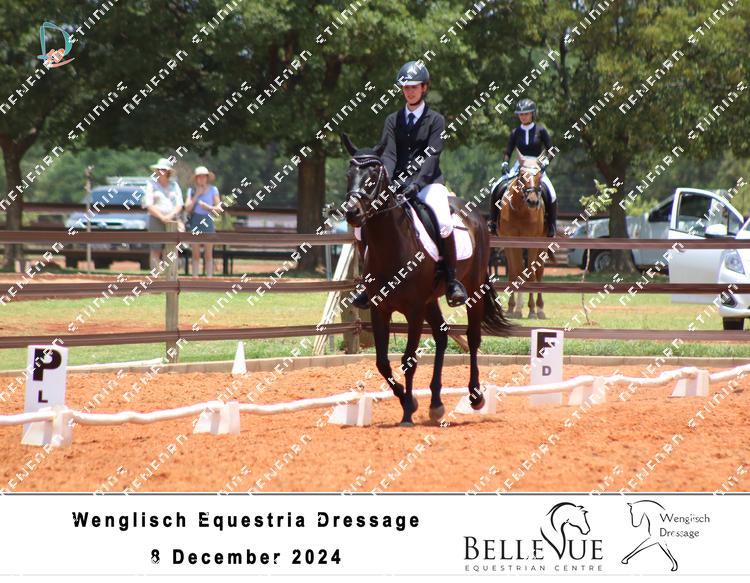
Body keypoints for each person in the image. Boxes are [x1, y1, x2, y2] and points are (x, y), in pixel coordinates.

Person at [351, 60, 468, 309]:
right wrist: (389, 182)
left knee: (444, 222)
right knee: (361, 227)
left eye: (414, 87)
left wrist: (417, 182)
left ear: (424, 88)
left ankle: (451, 280)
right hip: (396, 184)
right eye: (406, 87)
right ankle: (368, 282)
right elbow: (390, 155)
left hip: (428, 183)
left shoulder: (436, 120)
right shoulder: (392, 120)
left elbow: (432, 154)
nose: (410, 91)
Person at [491, 98, 558, 236]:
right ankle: (493, 223)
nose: (523, 116)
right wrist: (505, 163)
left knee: (551, 193)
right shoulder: (515, 132)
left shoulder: (541, 130)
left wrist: (546, 161)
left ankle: (551, 225)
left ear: (532, 114)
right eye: (521, 114)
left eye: (526, 114)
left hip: (536, 166)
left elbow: (552, 150)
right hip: (520, 166)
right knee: (496, 187)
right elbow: (508, 152)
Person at [142, 158, 184, 270]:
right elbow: (148, 204)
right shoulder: (151, 184)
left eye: (163, 169)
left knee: (171, 248)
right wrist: (162, 217)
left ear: (168, 172)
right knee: (155, 248)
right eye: (159, 169)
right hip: (155, 219)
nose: (161, 171)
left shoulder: (174, 185)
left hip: (172, 219)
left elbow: (179, 204)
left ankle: (170, 274)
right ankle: (156, 274)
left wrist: (169, 216)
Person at [184, 166, 221, 276]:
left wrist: (208, 207)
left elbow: (219, 209)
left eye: (204, 176)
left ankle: (209, 278)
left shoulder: (213, 189)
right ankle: (195, 277)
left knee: (208, 254)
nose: (202, 179)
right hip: (195, 220)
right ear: (196, 178)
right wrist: (197, 195)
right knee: (195, 254)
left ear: (207, 178)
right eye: (199, 177)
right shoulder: (191, 190)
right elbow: (187, 208)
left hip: (208, 220)